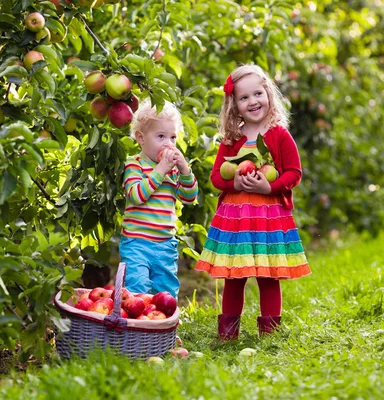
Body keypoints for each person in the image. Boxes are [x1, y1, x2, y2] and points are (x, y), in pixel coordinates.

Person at [195, 64, 311, 340]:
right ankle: (227, 334)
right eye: (244, 97)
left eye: (257, 93)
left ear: (268, 94)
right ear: (234, 104)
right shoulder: (232, 139)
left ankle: (269, 334)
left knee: (268, 277)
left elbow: (294, 173)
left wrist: (269, 186)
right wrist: (234, 182)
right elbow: (216, 176)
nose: (252, 101)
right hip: (236, 220)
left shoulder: (278, 135)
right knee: (234, 277)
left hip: (268, 218)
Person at [120, 100, 198, 298]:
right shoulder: (134, 165)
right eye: (161, 136)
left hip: (165, 244)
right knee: (136, 289)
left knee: (166, 293)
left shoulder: (172, 170)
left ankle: (163, 328)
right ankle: (137, 328)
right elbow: (136, 195)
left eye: (172, 137)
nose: (168, 144)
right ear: (141, 138)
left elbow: (189, 197)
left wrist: (184, 170)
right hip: (137, 243)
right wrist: (160, 170)